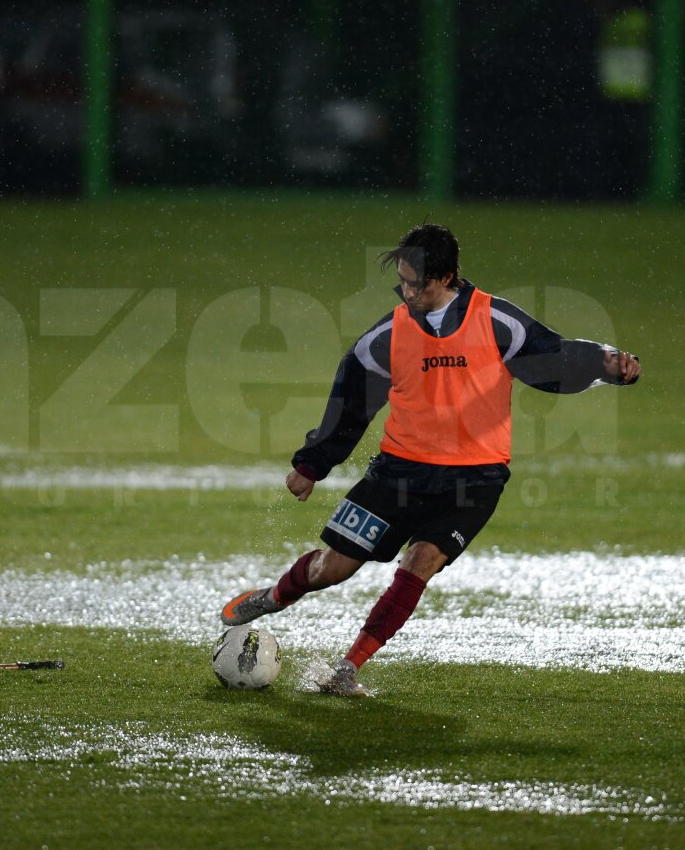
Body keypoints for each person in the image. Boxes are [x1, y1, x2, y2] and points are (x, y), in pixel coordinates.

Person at [220, 223, 642, 696]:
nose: (406, 292)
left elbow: (555, 358)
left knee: (420, 561)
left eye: (415, 284)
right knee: (332, 569)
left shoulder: (497, 321)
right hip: (399, 471)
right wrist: (312, 464)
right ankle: (273, 597)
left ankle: (347, 669)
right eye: (401, 281)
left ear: (447, 277)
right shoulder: (386, 335)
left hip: (476, 479)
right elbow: (351, 402)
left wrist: (608, 364)